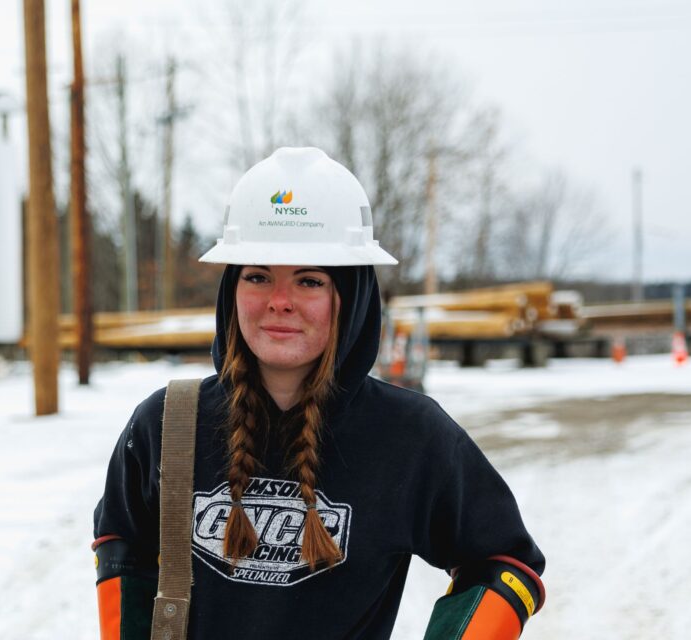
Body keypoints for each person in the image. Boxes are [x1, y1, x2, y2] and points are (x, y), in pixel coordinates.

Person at [93, 147, 545, 639]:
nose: (280, 302)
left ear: (349, 299)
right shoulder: (167, 424)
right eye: (258, 276)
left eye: (309, 280)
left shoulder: (409, 436)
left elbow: (504, 562)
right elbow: (123, 549)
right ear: (231, 291)